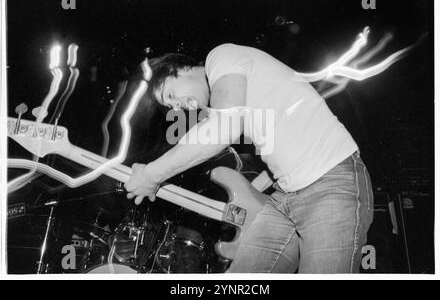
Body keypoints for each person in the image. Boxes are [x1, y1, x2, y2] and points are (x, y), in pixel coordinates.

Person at [125, 43, 374, 273]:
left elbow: (222, 129)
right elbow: (280, 146)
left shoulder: (221, 56)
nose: (177, 108)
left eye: (170, 96)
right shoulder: (242, 95)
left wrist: (151, 174)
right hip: (285, 199)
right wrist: (252, 194)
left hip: (330, 184)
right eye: (170, 108)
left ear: (180, 68)